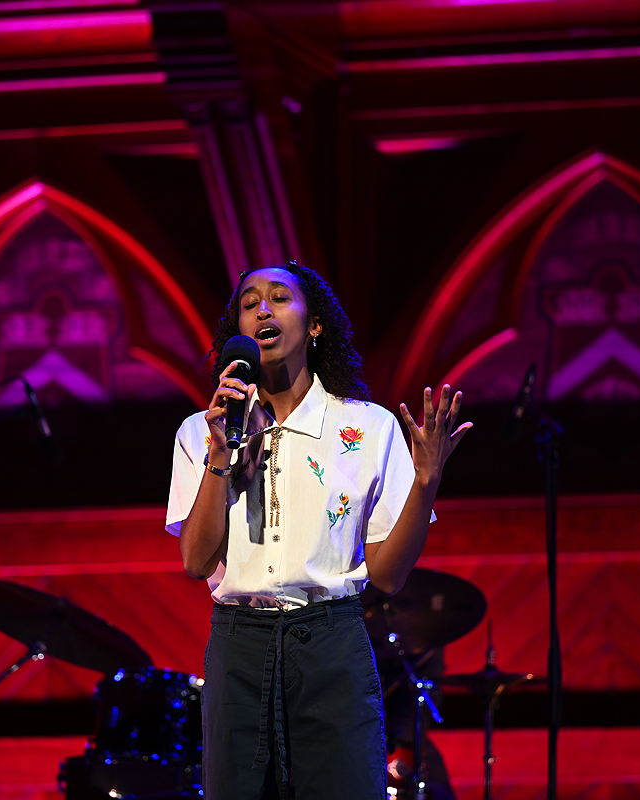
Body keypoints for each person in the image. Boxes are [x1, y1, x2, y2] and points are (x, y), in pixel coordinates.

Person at [166, 261, 471, 800]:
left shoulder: (369, 427)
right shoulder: (201, 430)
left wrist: (425, 482)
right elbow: (194, 562)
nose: (263, 308)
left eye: (280, 298)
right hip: (239, 648)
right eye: (250, 301)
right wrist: (220, 453)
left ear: (314, 325)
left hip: (332, 646)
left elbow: (389, 575)